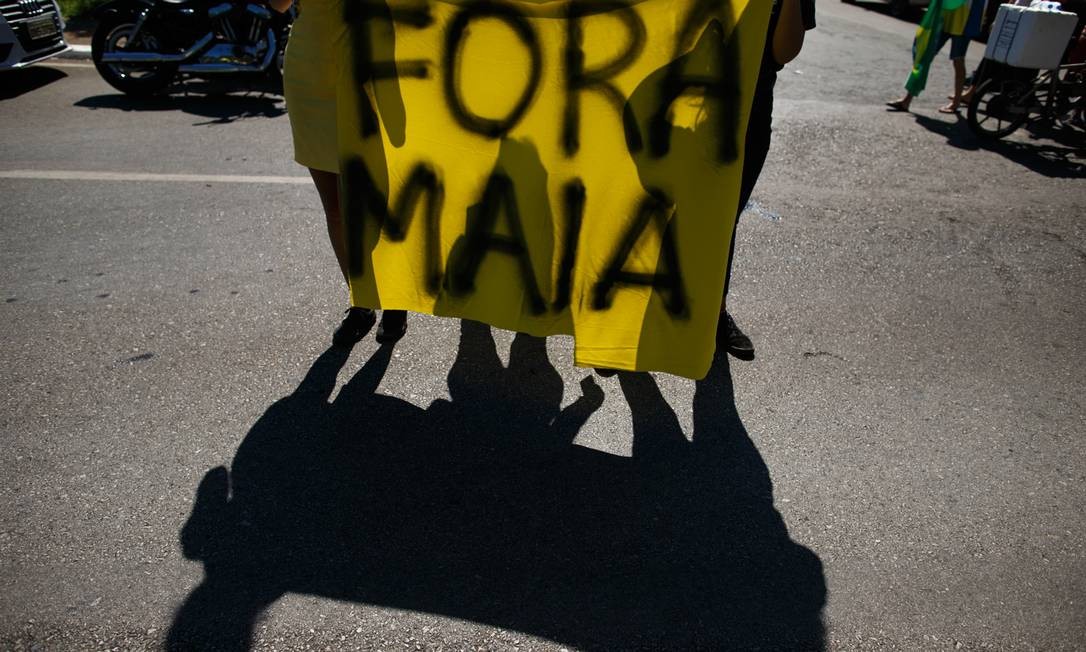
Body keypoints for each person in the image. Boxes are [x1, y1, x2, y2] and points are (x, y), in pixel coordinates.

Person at [270, 0, 408, 347]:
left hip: (367, 73)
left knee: (372, 204)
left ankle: (393, 298)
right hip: (309, 74)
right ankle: (361, 302)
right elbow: (277, 5)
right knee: (335, 208)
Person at [718, 0, 816, 361]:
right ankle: (631, 317)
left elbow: (783, 51)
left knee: (724, 218)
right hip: (679, 97)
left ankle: (714, 311)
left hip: (747, 114)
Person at [886, 0, 984, 114]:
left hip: (963, 21)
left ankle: (956, 102)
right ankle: (906, 100)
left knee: (958, 60)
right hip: (943, 15)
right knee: (925, 56)